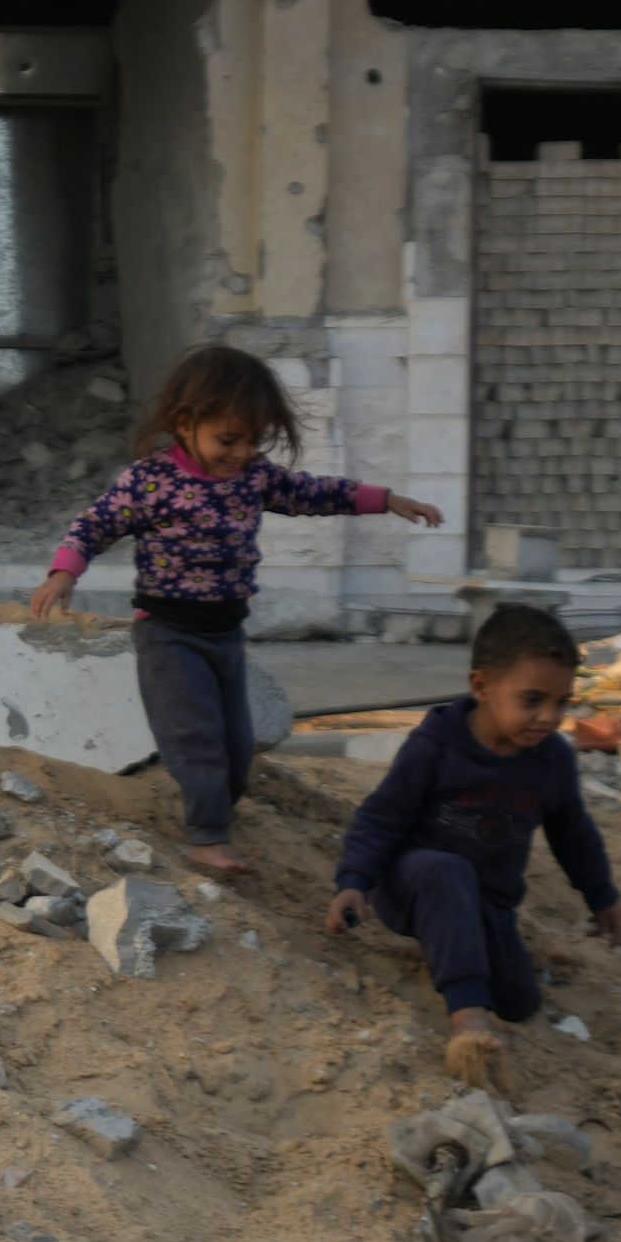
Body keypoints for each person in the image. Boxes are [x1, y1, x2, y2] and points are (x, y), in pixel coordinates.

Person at [27, 343, 443, 876]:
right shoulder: (150, 483)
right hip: (168, 634)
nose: (242, 452)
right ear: (185, 423)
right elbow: (94, 524)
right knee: (196, 736)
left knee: (238, 746)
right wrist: (65, 570)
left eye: (254, 440)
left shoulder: (255, 478)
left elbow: (313, 492)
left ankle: (216, 817)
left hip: (227, 636)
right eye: (228, 439)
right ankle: (205, 837)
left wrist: (384, 498)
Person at [327, 601, 621, 1088]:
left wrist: (602, 895)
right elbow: (381, 815)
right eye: (532, 700)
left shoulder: (551, 762)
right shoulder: (436, 746)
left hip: (488, 902)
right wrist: (353, 881)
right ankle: (466, 1019)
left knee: (519, 1002)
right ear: (482, 686)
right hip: (412, 883)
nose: (549, 716)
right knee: (448, 874)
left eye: (562, 702)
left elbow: (573, 833)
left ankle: (459, 957)